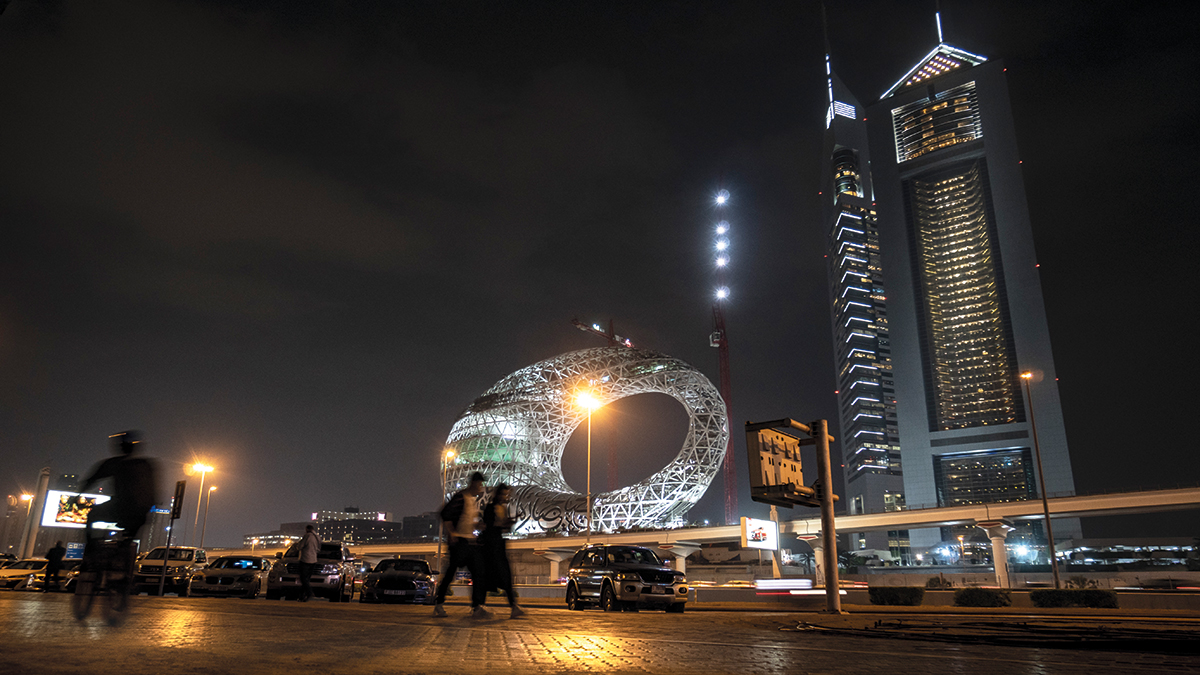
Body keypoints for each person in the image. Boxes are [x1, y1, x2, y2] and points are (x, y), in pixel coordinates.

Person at [78, 431, 159, 561]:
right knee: (128, 540)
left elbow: (92, 479)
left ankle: (92, 548)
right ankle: (123, 548)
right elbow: (155, 494)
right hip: (137, 513)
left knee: (92, 515)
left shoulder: (116, 463)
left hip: (123, 508)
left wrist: (78, 494)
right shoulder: (145, 465)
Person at [433, 471, 489, 618]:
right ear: (474, 483)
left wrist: (478, 526)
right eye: (480, 484)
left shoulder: (472, 500)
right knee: (451, 573)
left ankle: (476, 607)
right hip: (459, 542)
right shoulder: (460, 497)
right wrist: (451, 533)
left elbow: (466, 522)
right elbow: (445, 513)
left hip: (470, 541)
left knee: (478, 573)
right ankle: (439, 604)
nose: (481, 487)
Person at [481, 484, 524, 618]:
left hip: (498, 544)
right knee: (488, 576)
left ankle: (513, 606)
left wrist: (511, 521)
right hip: (490, 546)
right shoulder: (490, 508)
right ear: (498, 494)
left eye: (507, 494)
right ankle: (479, 606)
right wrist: (503, 524)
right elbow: (489, 525)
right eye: (504, 494)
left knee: (505, 575)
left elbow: (503, 526)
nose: (506, 497)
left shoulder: (503, 508)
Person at [297, 525, 321, 602]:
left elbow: (300, 546)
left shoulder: (307, 536)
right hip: (314, 559)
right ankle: (302, 596)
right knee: (307, 578)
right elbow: (318, 549)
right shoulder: (317, 537)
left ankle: (309, 592)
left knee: (303, 578)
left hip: (305, 559)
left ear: (307, 529)